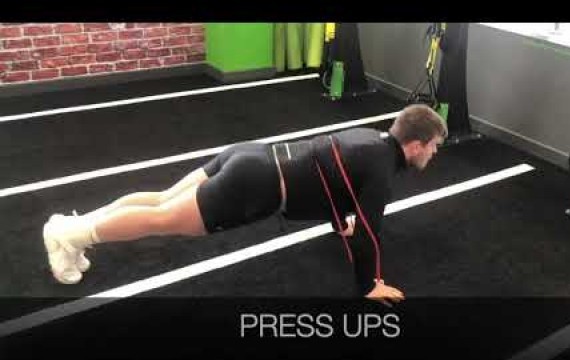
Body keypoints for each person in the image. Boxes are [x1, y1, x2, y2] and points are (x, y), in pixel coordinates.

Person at [43, 104, 446, 304]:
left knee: (163, 199)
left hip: (251, 154)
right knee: (161, 219)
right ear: (414, 145)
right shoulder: (382, 171)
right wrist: (368, 286)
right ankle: (67, 233)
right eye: (434, 147)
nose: (435, 154)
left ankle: (77, 228)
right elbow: (370, 233)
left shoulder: (370, 139)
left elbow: (334, 177)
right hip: (254, 184)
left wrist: (337, 221)